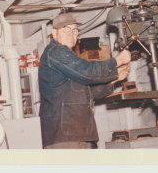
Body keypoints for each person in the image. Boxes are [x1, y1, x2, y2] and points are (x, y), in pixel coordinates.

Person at [38, 13, 131, 149]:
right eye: (66, 30)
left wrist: (116, 78)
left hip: (78, 133)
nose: (71, 34)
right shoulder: (55, 52)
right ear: (54, 33)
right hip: (65, 137)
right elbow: (87, 71)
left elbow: (88, 92)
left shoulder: (69, 60)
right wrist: (117, 61)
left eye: (75, 30)